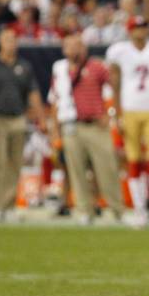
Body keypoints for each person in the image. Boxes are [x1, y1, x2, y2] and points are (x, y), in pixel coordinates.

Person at [48, 33, 126, 226]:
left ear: (82, 47)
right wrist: (55, 130)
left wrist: (110, 114)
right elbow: (55, 100)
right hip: (71, 125)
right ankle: (84, 211)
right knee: (76, 172)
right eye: (68, 45)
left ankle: (117, 210)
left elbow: (114, 86)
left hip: (95, 126)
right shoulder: (59, 69)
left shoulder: (96, 66)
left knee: (107, 168)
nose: (72, 49)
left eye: (75, 45)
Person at [106, 16, 149, 228]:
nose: (140, 31)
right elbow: (115, 84)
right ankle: (139, 211)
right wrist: (116, 114)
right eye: (136, 27)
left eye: (144, 26)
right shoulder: (119, 52)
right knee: (133, 161)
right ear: (129, 30)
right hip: (130, 110)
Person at [0, 27, 44, 223]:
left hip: (18, 118)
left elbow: (33, 91)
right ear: (0, 42)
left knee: (15, 164)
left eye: (14, 39)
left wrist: (40, 115)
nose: (12, 42)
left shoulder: (24, 66)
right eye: (8, 39)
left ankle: (8, 206)